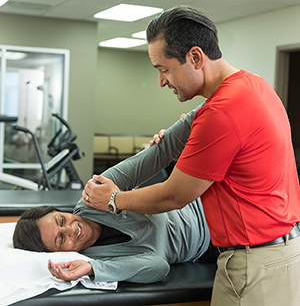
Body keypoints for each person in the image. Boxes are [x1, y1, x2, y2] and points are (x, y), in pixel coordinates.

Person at [82, 5, 300, 306]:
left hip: (254, 265)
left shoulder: (221, 113)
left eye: (164, 69)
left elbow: (174, 197)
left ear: (196, 57)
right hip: (282, 253)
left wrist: (113, 200)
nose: (161, 81)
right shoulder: (254, 87)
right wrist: (177, 139)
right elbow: (189, 130)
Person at [13, 104, 218, 284]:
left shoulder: (94, 193)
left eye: (61, 220)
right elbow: (158, 267)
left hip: (206, 200)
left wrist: (208, 111)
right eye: (60, 239)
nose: (71, 229)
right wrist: (95, 269)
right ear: (58, 254)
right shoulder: (98, 259)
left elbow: (158, 154)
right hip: (211, 245)